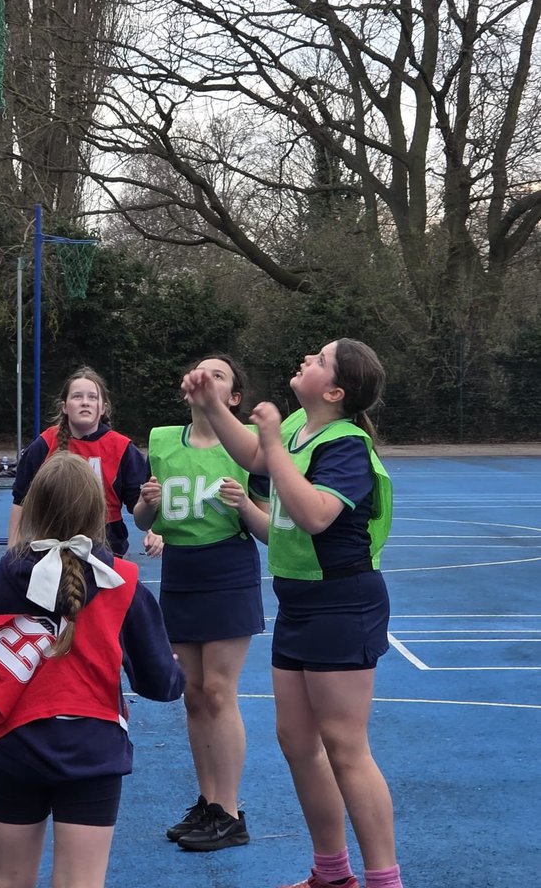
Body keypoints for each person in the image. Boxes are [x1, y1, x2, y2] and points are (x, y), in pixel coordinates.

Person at [182, 338, 402, 888]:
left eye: (320, 360)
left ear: (335, 391)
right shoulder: (303, 426)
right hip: (300, 602)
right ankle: (332, 874)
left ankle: (385, 880)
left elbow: (314, 515)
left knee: (346, 747)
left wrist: (273, 440)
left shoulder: (346, 444)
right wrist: (212, 406)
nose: (306, 359)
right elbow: (254, 457)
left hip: (343, 603)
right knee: (298, 743)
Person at [0, 451, 184, 888]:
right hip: (93, 749)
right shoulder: (122, 581)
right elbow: (160, 683)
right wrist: (176, 672)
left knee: (6, 880)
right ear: (99, 511)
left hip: (17, 744)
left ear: (34, 508)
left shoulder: (5, 575)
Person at [133, 353, 265, 852]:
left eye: (220, 374)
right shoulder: (163, 441)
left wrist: (245, 505)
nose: (207, 377)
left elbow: (269, 530)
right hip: (181, 572)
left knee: (218, 689)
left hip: (228, 570)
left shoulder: (248, 447)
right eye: (201, 371)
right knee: (192, 693)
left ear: (234, 396)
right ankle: (208, 802)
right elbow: (145, 521)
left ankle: (229, 812)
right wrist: (146, 505)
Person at [6, 367, 154, 556]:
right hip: (50, 549)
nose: (85, 402)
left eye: (92, 397)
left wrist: (154, 531)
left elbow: (139, 504)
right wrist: (12, 552)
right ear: (64, 407)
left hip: (106, 550)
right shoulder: (44, 444)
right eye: (77, 396)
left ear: (103, 408)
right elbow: (20, 501)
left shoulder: (123, 448)